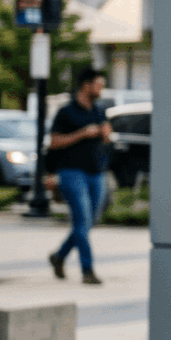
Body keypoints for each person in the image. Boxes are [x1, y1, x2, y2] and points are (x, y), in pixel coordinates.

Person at [46, 67, 111, 285]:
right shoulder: (67, 112)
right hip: (72, 172)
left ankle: (59, 256)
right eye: (99, 84)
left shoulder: (100, 110)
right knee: (82, 220)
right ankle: (88, 270)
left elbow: (106, 140)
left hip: (97, 173)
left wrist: (105, 134)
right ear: (87, 85)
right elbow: (54, 142)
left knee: (89, 222)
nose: (101, 88)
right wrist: (82, 133)